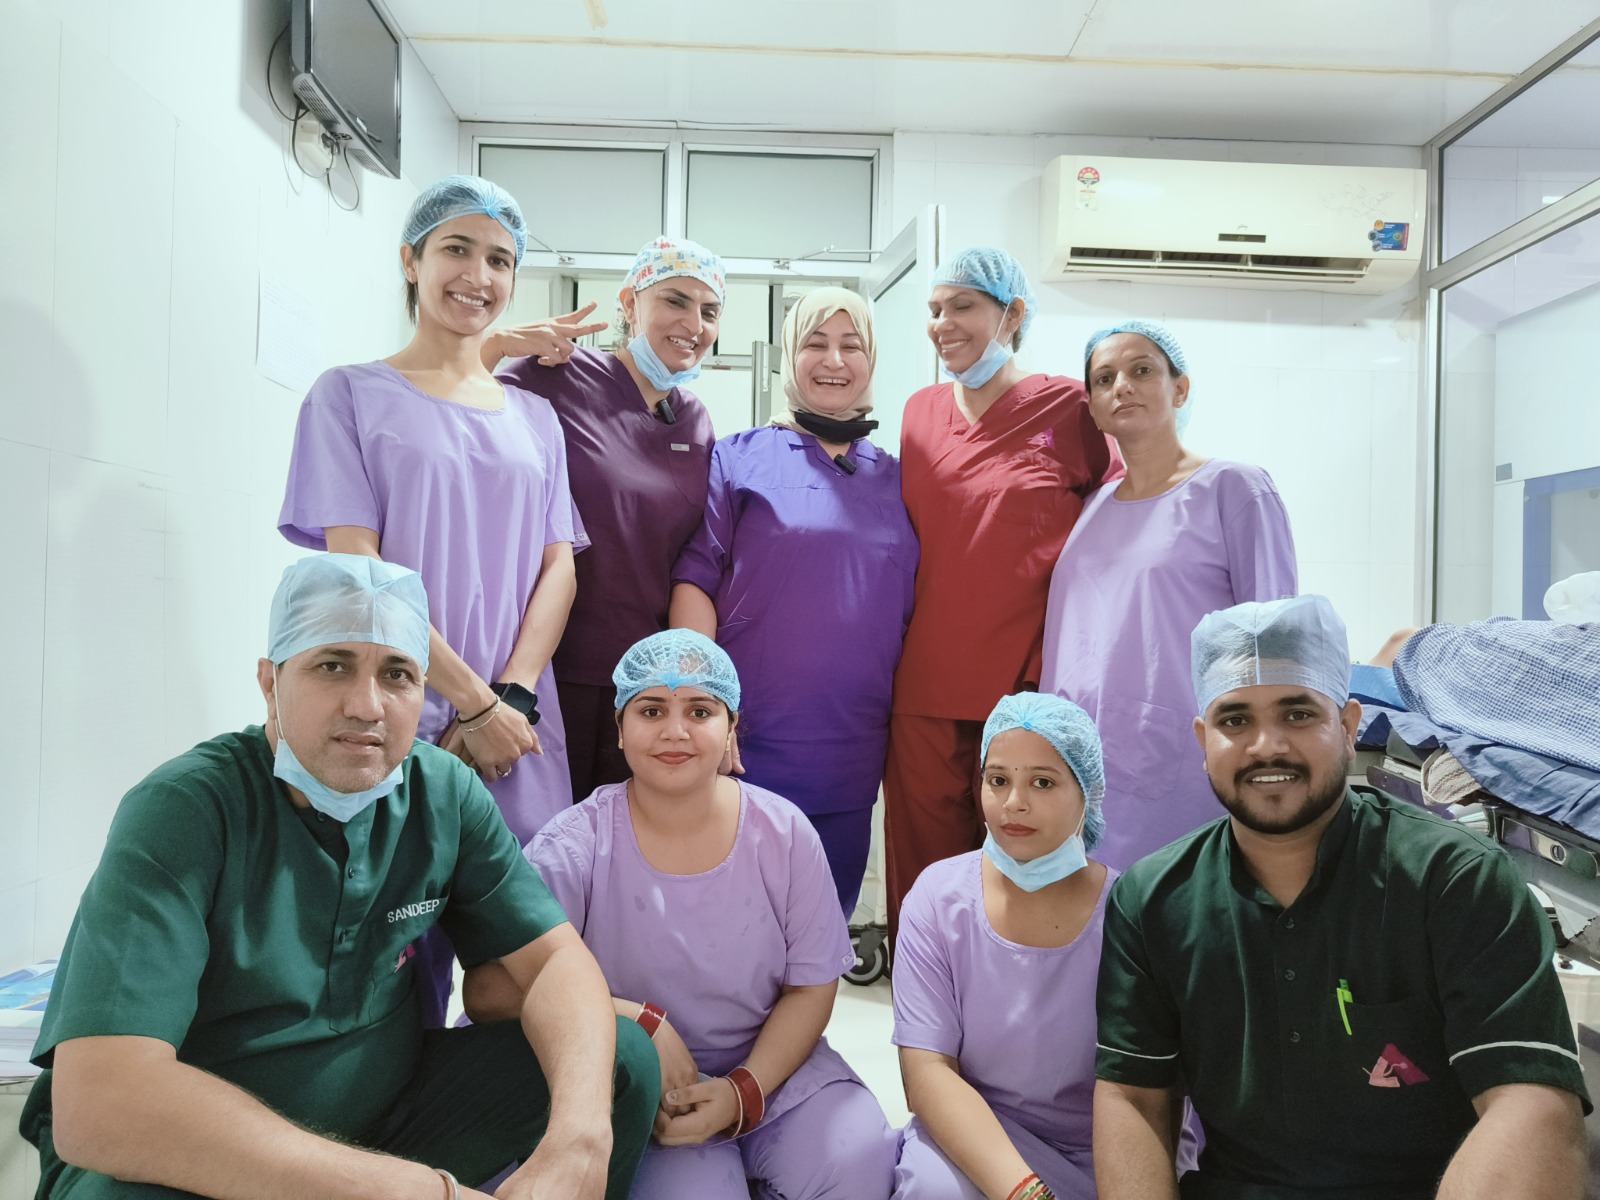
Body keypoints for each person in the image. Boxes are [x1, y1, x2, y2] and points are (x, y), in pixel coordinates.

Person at [19, 554, 658, 1200]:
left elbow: (552, 962)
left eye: (397, 674)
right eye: (333, 666)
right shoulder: (188, 810)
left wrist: (578, 1141)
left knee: (618, 1063)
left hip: (383, 1121)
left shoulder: (441, 793)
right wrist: (420, 1193)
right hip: (210, 1158)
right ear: (270, 682)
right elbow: (103, 1099)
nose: (367, 705)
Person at [1093, 594, 1590, 1200]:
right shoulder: (1152, 900)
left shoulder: (1456, 880)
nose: (1266, 745)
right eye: (1235, 720)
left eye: (1298, 714)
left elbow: (1531, 1105)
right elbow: (1133, 1098)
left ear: (1349, 727)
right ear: (1204, 740)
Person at [464, 630, 899, 1199]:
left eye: (700, 711)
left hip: (774, 1067)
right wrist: (634, 1020)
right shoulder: (574, 848)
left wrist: (745, 1090)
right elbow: (490, 992)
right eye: (651, 710)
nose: (675, 731)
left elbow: (810, 986)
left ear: (731, 729)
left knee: (860, 1163)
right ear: (620, 729)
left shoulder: (784, 833)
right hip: (636, 1083)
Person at [280, 174, 581, 851]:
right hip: (393, 707)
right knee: (394, 905)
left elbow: (559, 567)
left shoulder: (537, 417)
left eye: (500, 259)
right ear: (411, 261)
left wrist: (510, 700)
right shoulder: (348, 396)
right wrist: (472, 703)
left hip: (517, 725)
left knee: (520, 904)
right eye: (457, 249)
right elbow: (360, 567)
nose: (479, 275)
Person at [885, 247, 1120, 937]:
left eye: (962, 306)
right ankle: (924, 1003)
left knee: (1026, 870)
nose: (942, 323)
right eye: (934, 309)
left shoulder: (1070, 408)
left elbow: (1118, 533)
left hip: (1028, 687)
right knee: (924, 880)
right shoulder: (919, 412)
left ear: (1013, 313)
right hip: (925, 687)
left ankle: (1022, 1000)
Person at [669, 287, 917, 914]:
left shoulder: (899, 477)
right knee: (734, 925)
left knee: (823, 926)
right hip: (750, 740)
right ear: (789, 355)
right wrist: (702, 708)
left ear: (871, 358)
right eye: (815, 343)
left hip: (853, 747)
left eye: (851, 345)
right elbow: (695, 580)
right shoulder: (739, 457)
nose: (833, 360)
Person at [1041, 320, 1297, 870]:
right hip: (1081, 761)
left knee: (1178, 905)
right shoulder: (1093, 507)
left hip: (1181, 759)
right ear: (1093, 408)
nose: (1122, 386)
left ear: (1179, 389)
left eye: (1141, 371)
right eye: (1104, 379)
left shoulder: (1233, 487)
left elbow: (1275, 641)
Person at [489, 237, 726, 801]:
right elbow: (454, 414)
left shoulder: (694, 420)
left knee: (623, 839)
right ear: (629, 303)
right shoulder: (554, 376)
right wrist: (492, 346)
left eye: (709, 310)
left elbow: (690, 556)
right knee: (538, 834)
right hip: (545, 667)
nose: (693, 324)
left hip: (643, 681)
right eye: (675, 300)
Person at [893, 693, 1112, 1200]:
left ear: (1087, 792)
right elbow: (928, 1072)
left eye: (1043, 782)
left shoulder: (1129, 912)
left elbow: (1149, 1091)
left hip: (1104, 1145)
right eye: (997, 780)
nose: (1014, 802)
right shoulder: (939, 897)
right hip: (976, 1131)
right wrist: (1024, 1192)